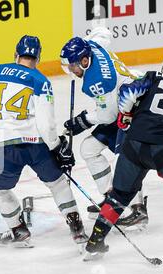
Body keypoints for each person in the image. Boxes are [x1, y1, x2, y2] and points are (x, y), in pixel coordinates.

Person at [0, 35, 88, 248]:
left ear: (16, 54)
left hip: (4, 144)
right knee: (58, 183)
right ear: (38, 57)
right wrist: (58, 146)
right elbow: (46, 124)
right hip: (35, 144)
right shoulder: (40, 81)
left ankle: (18, 230)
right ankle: (77, 229)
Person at [83, 52, 163, 261]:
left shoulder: (152, 77)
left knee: (119, 196)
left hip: (133, 144)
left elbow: (127, 91)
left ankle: (95, 240)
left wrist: (125, 115)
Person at [60, 27, 148, 228]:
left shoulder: (98, 80)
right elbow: (103, 32)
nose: (72, 71)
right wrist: (85, 39)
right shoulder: (92, 45)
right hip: (124, 100)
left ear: (84, 61)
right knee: (88, 149)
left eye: (73, 66)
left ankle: (138, 209)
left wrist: (82, 121)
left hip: (134, 106)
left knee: (126, 158)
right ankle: (112, 199)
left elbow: (107, 115)